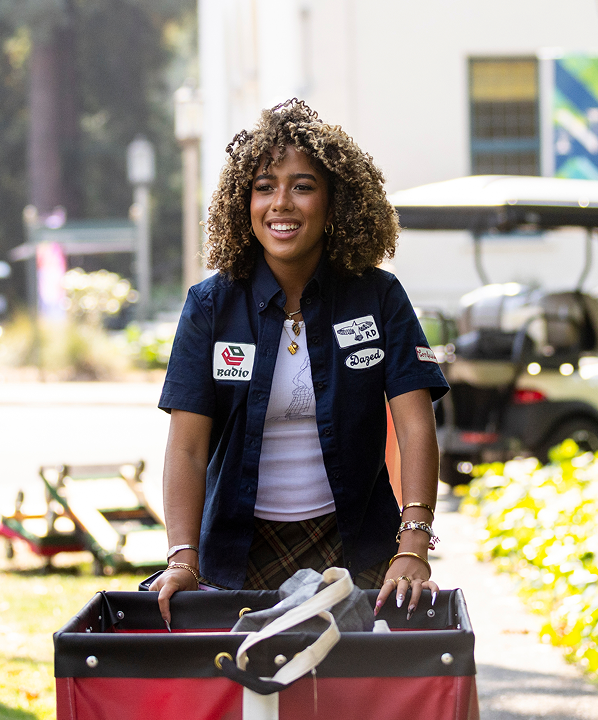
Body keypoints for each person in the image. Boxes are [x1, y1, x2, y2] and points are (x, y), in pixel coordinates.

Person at [151, 99, 448, 623]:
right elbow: (188, 448)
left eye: (303, 186)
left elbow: (415, 427)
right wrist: (182, 558)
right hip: (236, 555)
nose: (280, 203)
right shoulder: (211, 306)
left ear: (336, 203)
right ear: (244, 202)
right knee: (251, 703)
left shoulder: (377, 297)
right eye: (264, 186)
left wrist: (414, 544)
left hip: (357, 549)